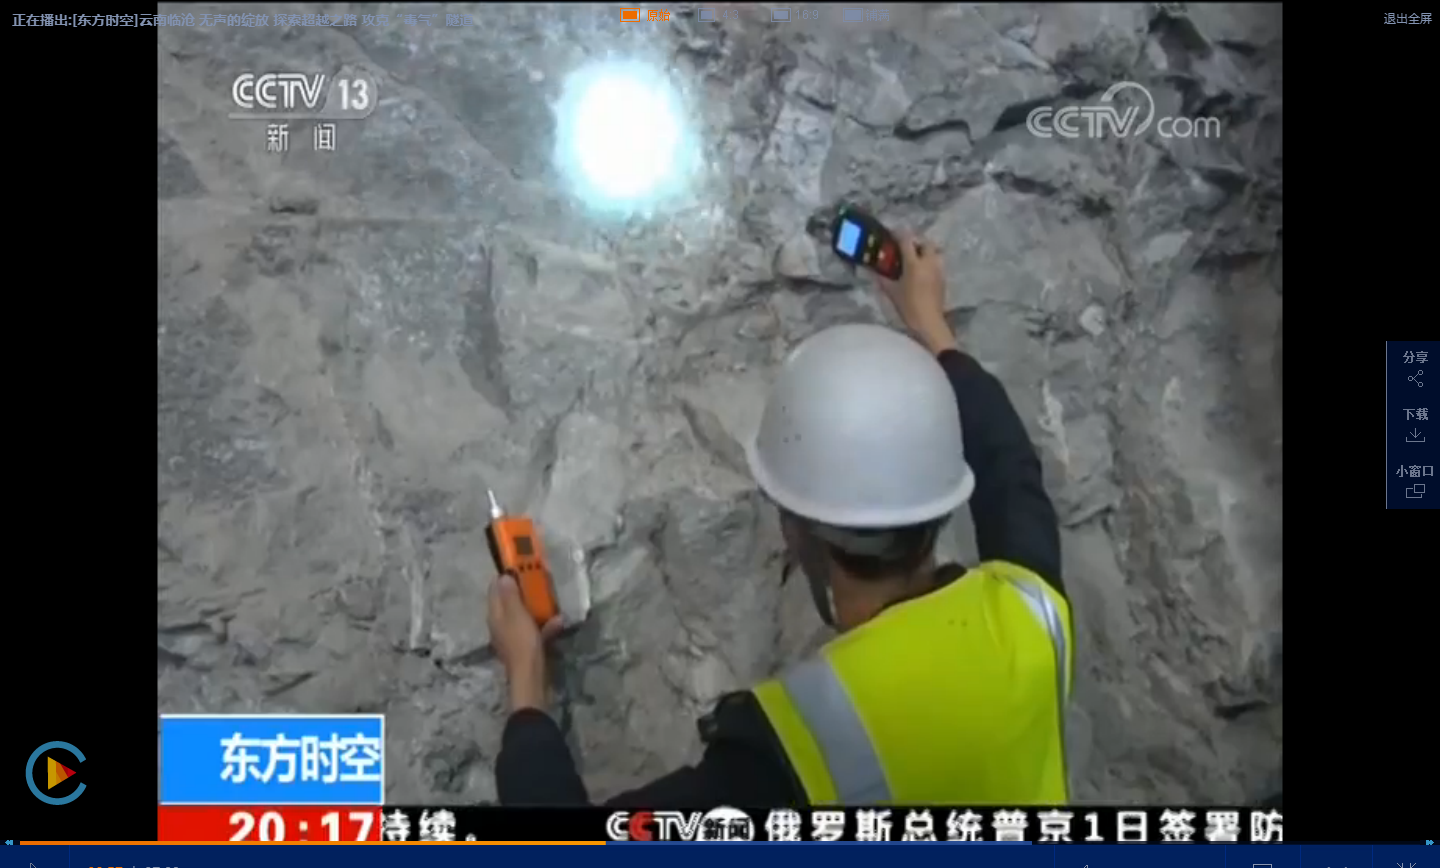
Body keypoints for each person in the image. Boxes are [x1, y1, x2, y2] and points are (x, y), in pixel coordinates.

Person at [487, 229, 1070, 807]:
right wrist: (932, 325)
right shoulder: (1032, 617)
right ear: (942, 500)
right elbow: (1009, 464)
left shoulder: (787, 756)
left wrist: (526, 691)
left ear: (794, 530)